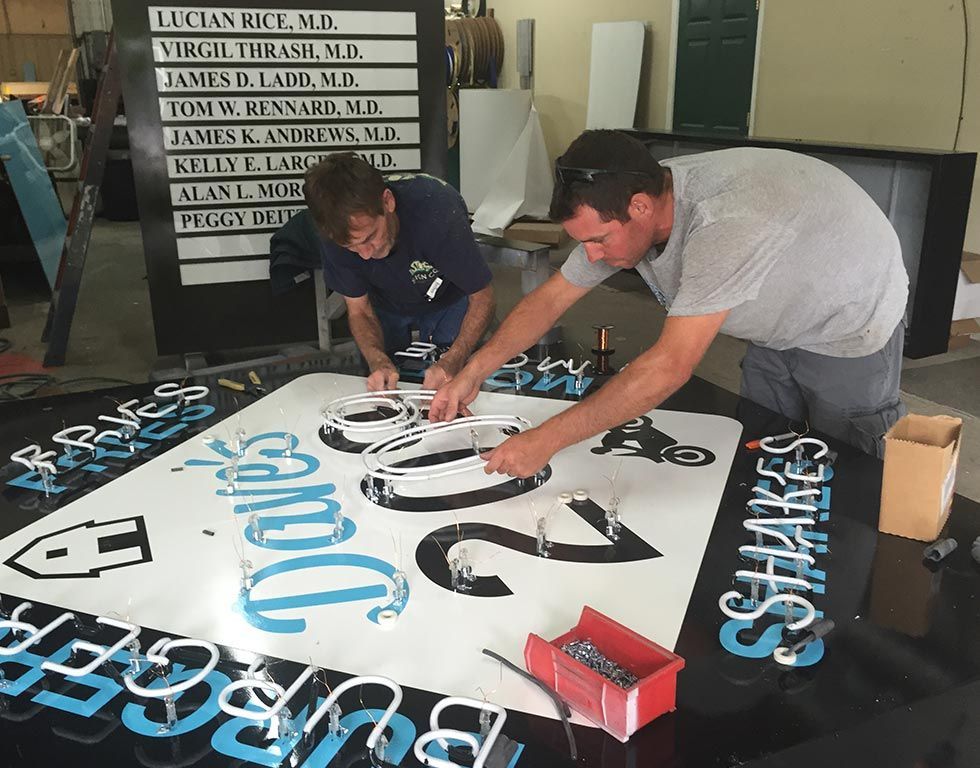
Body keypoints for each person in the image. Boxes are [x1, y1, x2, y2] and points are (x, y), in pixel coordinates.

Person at [429, 129, 909, 474]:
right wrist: (476, 368)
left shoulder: (726, 223)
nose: (591, 255)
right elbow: (552, 298)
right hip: (773, 314)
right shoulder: (631, 201)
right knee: (766, 449)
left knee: (850, 472)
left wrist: (548, 439)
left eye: (597, 240)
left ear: (640, 207)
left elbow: (669, 366)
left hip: (847, 317)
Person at [301, 153, 495, 391]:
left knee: (455, 381)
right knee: (384, 382)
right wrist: (377, 359)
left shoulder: (438, 212)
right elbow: (359, 310)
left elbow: (482, 296)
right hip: (384, 301)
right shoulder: (335, 231)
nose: (364, 254)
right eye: (350, 247)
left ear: (388, 202)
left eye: (370, 237)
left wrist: (453, 359)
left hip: (448, 294)